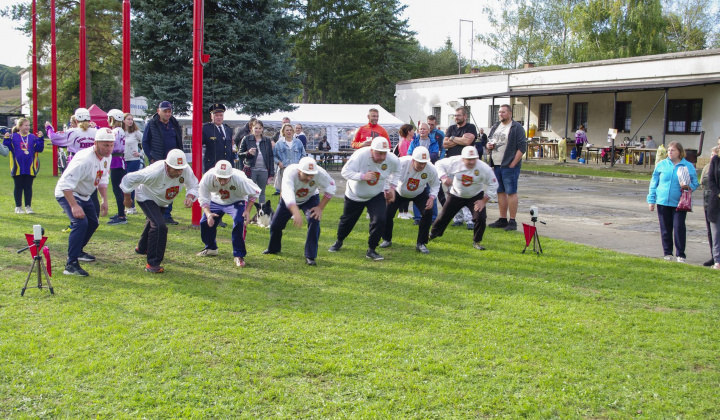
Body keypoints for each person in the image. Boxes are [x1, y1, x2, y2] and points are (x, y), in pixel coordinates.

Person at [121, 149, 199, 273]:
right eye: (176, 169)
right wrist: (127, 198)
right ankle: (153, 263)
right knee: (159, 226)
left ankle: (142, 248)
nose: (179, 172)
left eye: (181, 169)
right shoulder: (154, 171)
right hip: (146, 197)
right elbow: (129, 178)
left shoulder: (185, 170)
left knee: (153, 222)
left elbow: (194, 185)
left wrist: (190, 196)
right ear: (167, 166)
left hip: (163, 200)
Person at [54, 128, 115, 276]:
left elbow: (103, 178)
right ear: (95, 143)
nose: (109, 149)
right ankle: (71, 265)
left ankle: (78, 251)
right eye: (105, 145)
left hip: (85, 194)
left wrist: (104, 200)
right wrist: (74, 205)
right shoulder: (84, 159)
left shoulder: (107, 157)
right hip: (69, 193)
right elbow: (65, 185)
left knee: (93, 222)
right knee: (80, 223)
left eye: (111, 145)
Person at [329, 137, 400, 260]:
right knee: (347, 221)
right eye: (379, 153)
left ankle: (371, 249)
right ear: (372, 150)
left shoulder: (392, 159)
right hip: (355, 195)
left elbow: (397, 171)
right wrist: (362, 176)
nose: (382, 157)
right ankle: (339, 240)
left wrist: (392, 188)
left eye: (384, 153)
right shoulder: (360, 155)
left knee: (380, 220)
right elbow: (345, 172)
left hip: (376, 194)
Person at [264, 156, 336, 266]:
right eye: (306, 174)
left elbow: (331, 188)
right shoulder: (290, 172)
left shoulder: (320, 173)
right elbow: (287, 193)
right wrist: (295, 211)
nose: (309, 178)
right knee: (275, 225)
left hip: (310, 198)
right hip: (290, 200)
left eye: (311, 175)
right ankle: (273, 249)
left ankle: (310, 256)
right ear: (299, 170)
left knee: (314, 221)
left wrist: (320, 208)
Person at [429, 146, 498, 250]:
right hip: (456, 194)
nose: (471, 162)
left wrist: (484, 201)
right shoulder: (455, 161)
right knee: (443, 216)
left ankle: (477, 241)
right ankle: (432, 234)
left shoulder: (484, 168)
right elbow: (438, 164)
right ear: (462, 158)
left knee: (481, 218)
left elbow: (494, 184)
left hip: (475, 196)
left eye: (473, 159)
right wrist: (443, 177)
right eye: (468, 159)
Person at [196, 160, 261, 268]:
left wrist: (247, 211)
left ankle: (239, 255)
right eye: (219, 178)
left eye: (225, 179)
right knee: (204, 222)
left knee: (239, 221)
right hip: (216, 200)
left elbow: (255, 192)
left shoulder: (240, 179)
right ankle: (211, 248)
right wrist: (208, 214)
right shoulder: (207, 177)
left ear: (230, 176)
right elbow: (203, 198)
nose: (221, 182)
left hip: (236, 200)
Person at [380, 146, 439, 254]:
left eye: (424, 163)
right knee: (387, 213)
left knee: (428, 212)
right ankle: (387, 239)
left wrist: (432, 197)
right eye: (419, 162)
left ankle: (421, 243)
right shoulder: (401, 163)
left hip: (419, 192)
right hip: (398, 191)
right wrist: (387, 190)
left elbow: (436, 184)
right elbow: (386, 175)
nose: (422, 166)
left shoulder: (431, 169)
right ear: (413, 160)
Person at [647, 141, 699, 263]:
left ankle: (680, 254)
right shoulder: (661, 165)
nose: (670, 152)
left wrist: (687, 186)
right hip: (663, 201)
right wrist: (651, 199)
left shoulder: (688, 166)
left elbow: (695, 183)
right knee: (665, 228)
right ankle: (667, 253)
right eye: (669, 150)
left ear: (680, 152)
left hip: (679, 202)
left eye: (673, 150)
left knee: (679, 227)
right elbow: (654, 182)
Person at [47, 108, 100, 219]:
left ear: (76, 120)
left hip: (76, 163)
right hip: (93, 163)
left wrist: (48, 128)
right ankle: (94, 219)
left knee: (75, 191)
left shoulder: (73, 132)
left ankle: (78, 217)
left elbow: (54, 138)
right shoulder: (96, 131)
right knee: (92, 191)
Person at [142, 100, 184, 225]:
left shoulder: (174, 123)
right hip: (158, 160)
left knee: (171, 187)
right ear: (158, 111)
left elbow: (178, 140)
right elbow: (145, 142)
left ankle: (166, 214)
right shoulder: (152, 124)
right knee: (155, 186)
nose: (167, 113)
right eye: (165, 111)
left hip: (173, 163)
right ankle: (152, 213)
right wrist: (151, 157)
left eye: (169, 111)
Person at [487, 104, 527, 231]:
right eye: (499, 112)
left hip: (509, 165)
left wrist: (513, 163)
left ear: (510, 113)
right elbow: (490, 141)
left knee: (511, 191)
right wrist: (489, 146)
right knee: (500, 192)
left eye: (503, 112)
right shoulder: (496, 127)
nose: (501, 114)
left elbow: (522, 147)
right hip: (497, 164)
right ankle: (502, 219)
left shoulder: (517, 127)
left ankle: (512, 220)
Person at [444, 107, 478, 229]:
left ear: (465, 116)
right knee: (452, 192)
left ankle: (470, 220)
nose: (456, 117)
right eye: (455, 115)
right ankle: (457, 218)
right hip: (452, 164)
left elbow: (468, 142)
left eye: (458, 115)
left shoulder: (470, 127)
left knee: (466, 191)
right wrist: (460, 140)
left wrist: (452, 138)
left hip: (466, 164)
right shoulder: (452, 128)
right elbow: (444, 143)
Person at [4, 118, 44, 214]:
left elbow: (39, 149)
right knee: (18, 186)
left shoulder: (32, 137)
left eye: (29, 125)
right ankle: (18, 207)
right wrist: (6, 139)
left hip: (30, 167)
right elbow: (6, 148)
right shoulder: (13, 137)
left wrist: (40, 139)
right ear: (20, 126)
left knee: (28, 187)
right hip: (17, 166)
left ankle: (28, 206)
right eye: (26, 125)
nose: (28, 127)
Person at [238, 120, 274, 214]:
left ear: (262, 129)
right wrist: (248, 153)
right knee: (250, 191)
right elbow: (240, 154)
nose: (258, 130)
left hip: (263, 170)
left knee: (261, 192)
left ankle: (261, 213)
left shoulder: (267, 140)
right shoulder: (246, 139)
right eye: (256, 128)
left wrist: (271, 173)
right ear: (252, 128)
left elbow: (270, 156)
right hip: (251, 169)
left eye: (260, 128)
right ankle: (247, 212)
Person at [408, 122, 441, 224]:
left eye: (424, 129)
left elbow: (435, 155)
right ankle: (417, 218)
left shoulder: (433, 142)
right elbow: (409, 154)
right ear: (418, 131)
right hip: (416, 171)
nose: (422, 131)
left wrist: (423, 160)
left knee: (432, 193)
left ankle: (433, 218)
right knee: (416, 192)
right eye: (420, 129)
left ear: (428, 131)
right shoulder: (414, 142)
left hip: (429, 170)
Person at [107, 109, 129, 225]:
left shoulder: (114, 131)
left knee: (117, 189)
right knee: (119, 189)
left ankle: (121, 215)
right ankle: (121, 212)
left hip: (116, 160)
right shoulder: (121, 130)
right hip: (120, 160)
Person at [273, 123, 305, 196]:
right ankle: (282, 204)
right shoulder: (279, 143)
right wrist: (278, 162)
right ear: (283, 131)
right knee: (284, 188)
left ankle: (295, 204)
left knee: (295, 188)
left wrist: (301, 164)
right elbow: (274, 156)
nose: (289, 132)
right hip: (284, 168)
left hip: (296, 168)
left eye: (290, 130)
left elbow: (303, 154)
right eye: (287, 130)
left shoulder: (298, 142)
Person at [202, 103, 234, 173]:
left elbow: (229, 149)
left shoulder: (227, 129)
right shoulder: (206, 129)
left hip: (226, 165)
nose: (219, 117)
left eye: (221, 115)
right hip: (212, 165)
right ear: (211, 116)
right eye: (216, 115)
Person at [702, 143, 720, 267]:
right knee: (715, 233)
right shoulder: (715, 160)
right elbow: (710, 181)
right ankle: (717, 260)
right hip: (715, 201)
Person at [122, 112, 143, 215]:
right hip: (122, 160)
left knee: (130, 183)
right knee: (122, 183)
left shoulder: (136, 132)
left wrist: (140, 153)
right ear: (123, 120)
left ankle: (132, 206)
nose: (130, 121)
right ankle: (124, 205)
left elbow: (145, 141)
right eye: (128, 119)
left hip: (133, 160)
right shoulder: (120, 132)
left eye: (131, 119)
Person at [394, 123, 415, 219]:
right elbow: (404, 155)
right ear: (408, 131)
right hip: (404, 168)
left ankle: (406, 211)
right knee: (402, 189)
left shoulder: (412, 141)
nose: (414, 132)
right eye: (412, 130)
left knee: (408, 189)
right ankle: (401, 212)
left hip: (411, 167)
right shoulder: (402, 142)